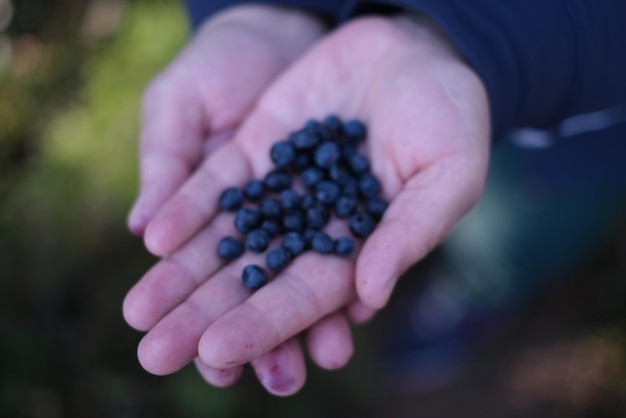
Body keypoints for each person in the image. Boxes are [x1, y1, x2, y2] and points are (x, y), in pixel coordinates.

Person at [122, 0, 626, 396]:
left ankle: (482, 288)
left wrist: (478, 36)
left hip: (583, 121)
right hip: (416, 69)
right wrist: (266, 8)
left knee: (518, 232)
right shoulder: (313, 185)